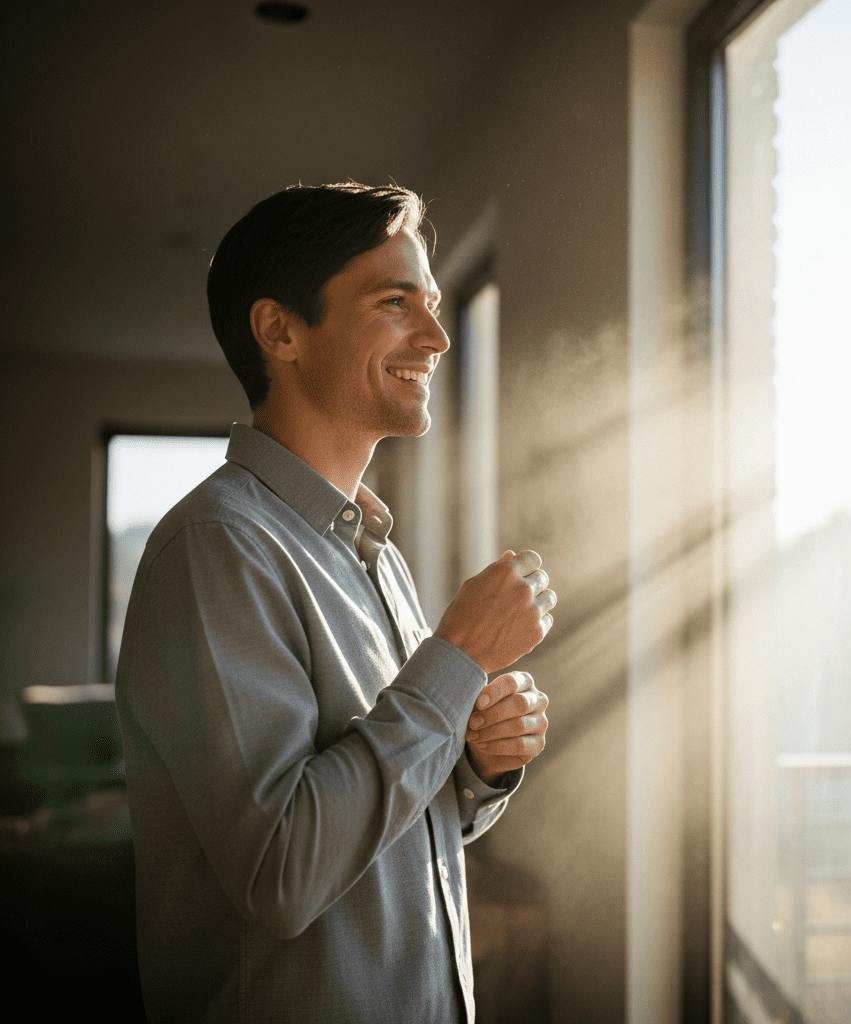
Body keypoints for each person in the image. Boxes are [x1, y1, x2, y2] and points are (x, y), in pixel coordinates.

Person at [115, 182, 556, 1023]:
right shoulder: (218, 547)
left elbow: (383, 826)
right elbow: (283, 871)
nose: (437, 337)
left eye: (433, 306)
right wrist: (458, 657)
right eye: (396, 303)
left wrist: (475, 764)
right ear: (279, 331)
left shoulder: (376, 557)